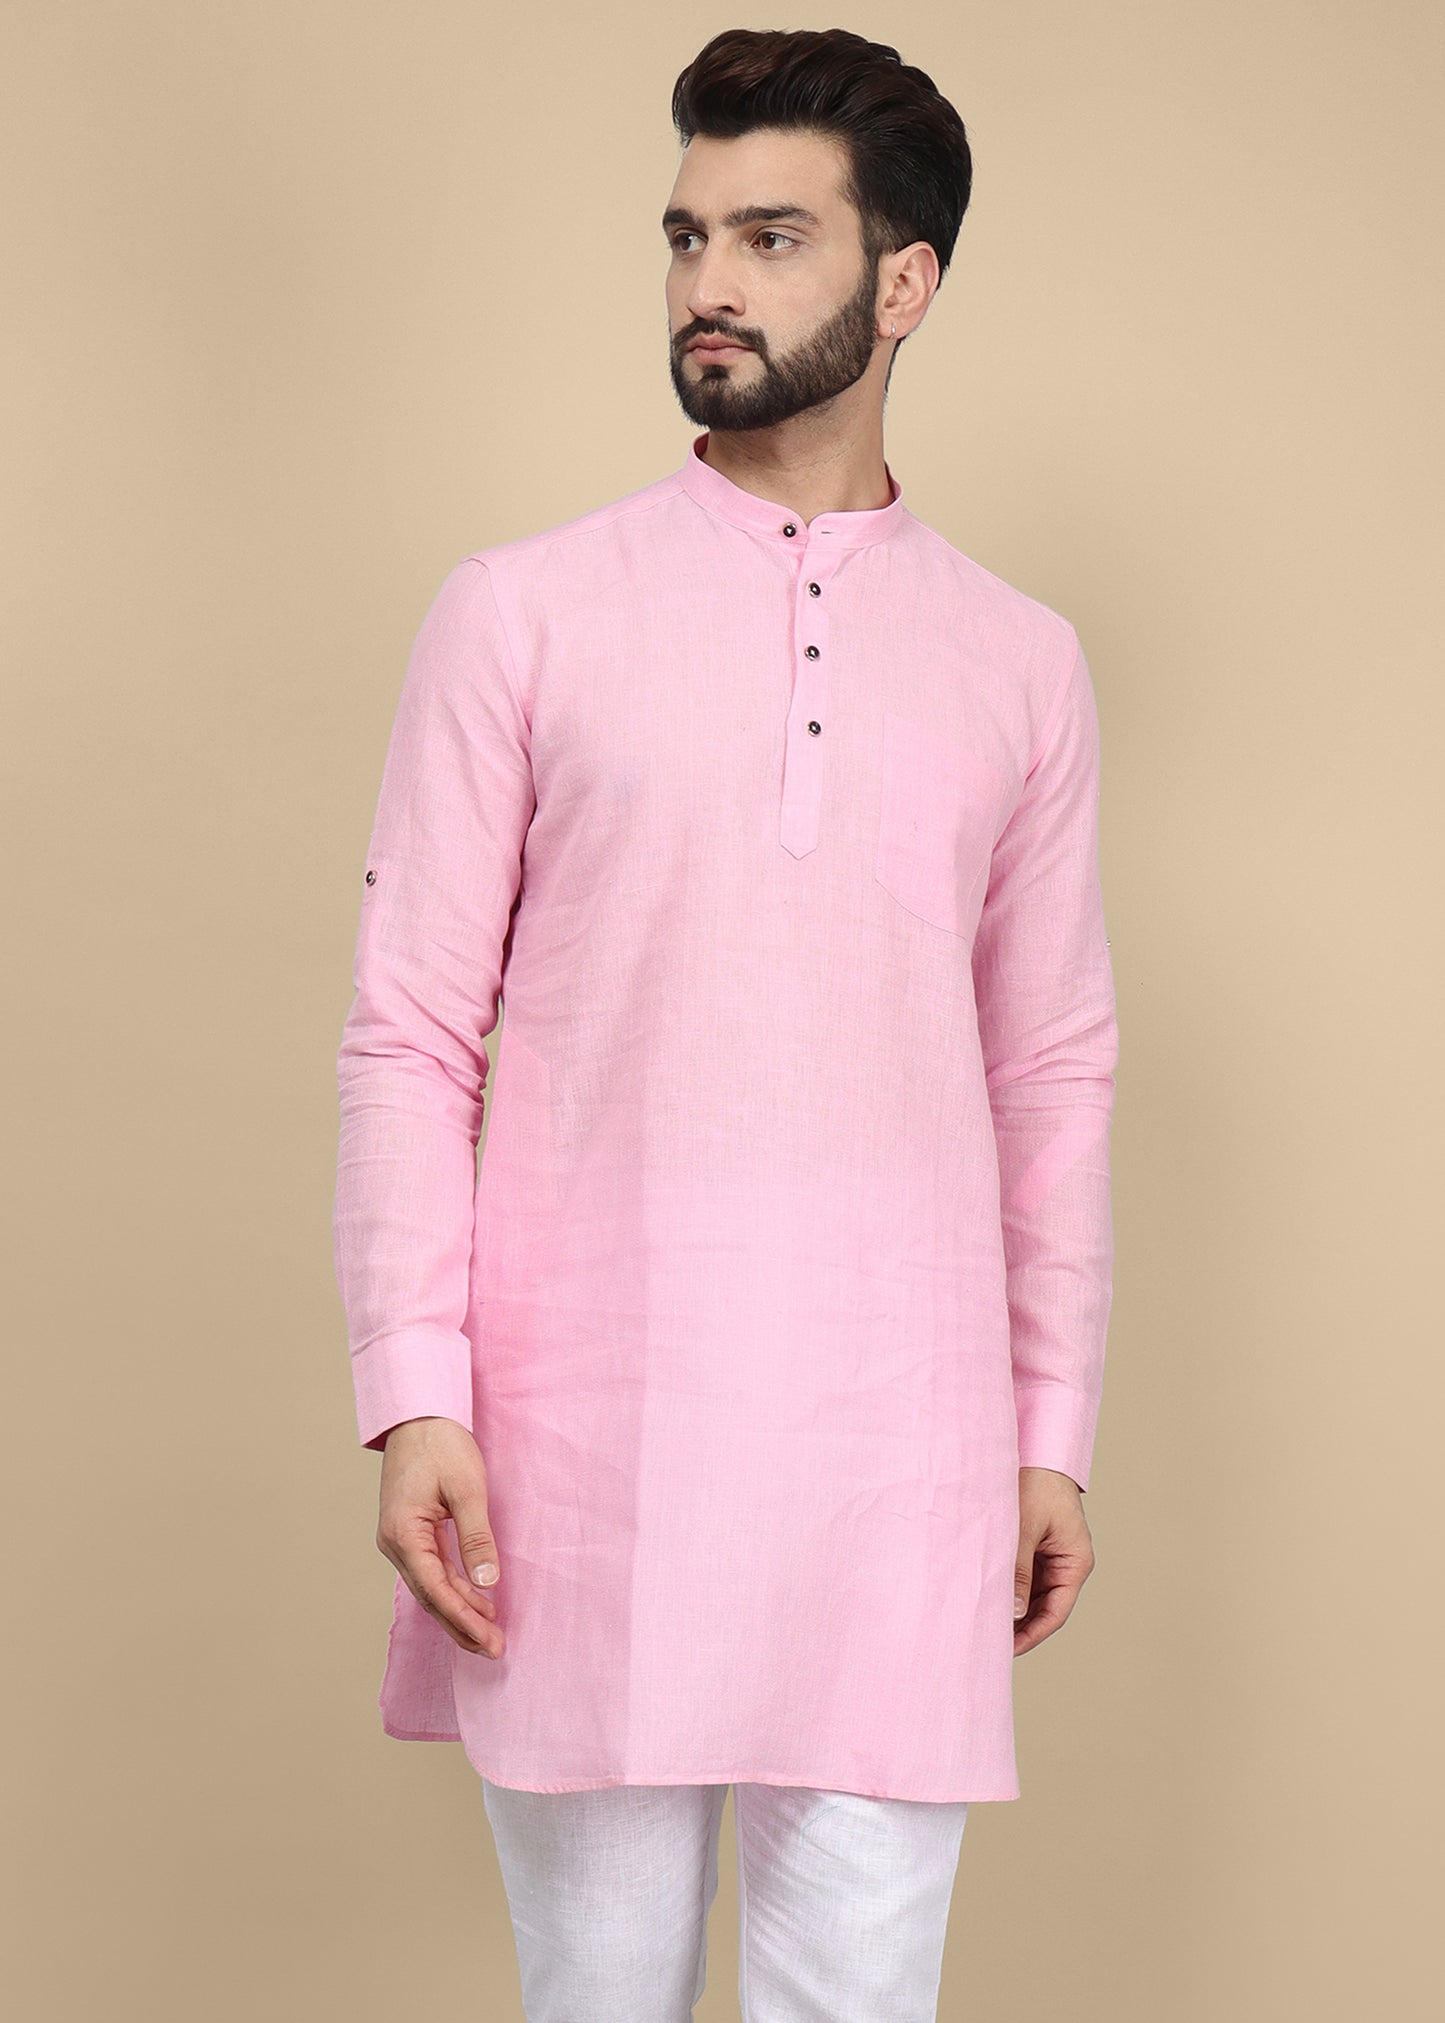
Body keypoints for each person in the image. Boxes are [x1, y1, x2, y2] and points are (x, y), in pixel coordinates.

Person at [331, 24, 1118, 2021]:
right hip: (582, 1451)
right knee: (599, 1998)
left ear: (903, 283)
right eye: (688, 235)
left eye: (772, 237)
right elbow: (411, 1030)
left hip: (899, 1457)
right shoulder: (521, 611)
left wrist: (1047, 1428)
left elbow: (1049, 1069)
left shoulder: (1020, 663)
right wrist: (417, 1390)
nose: (708, 281)